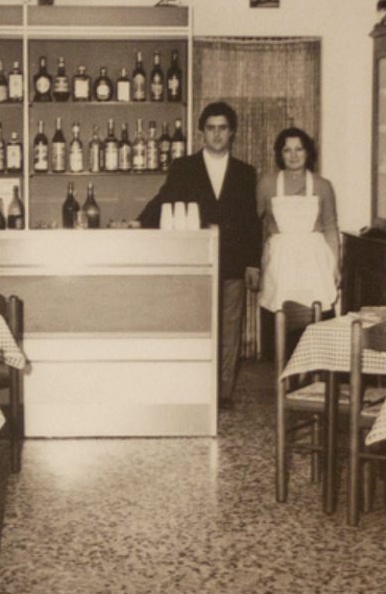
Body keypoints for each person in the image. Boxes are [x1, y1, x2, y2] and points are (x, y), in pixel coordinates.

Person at [137, 102, 262, 407]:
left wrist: (252, 263)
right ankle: (193, 388)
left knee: (230, 328)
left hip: (232, 261)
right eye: (210, 128)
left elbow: (250, 222)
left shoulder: (246, 173)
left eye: (222, 128)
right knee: (194, 324)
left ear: (232, 132)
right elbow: (164, 200)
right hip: (194, 260)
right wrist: (139, 222)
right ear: (202, 132)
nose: (217, 134)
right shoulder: (184, 167)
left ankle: (223, 393)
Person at [256, 126, 340, 357]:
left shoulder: (323, 185)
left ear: (308, 153)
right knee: (282, 315)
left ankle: (315, 374)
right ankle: (283, 373)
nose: (293, 155)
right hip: (281, 261)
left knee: (315, 316)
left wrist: (335, 266)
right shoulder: (267, 184)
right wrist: (256, 264)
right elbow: (254, 225)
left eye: (299, 149)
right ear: (279, 154)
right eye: (287, 150)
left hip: (314, 260)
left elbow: (331, 227)